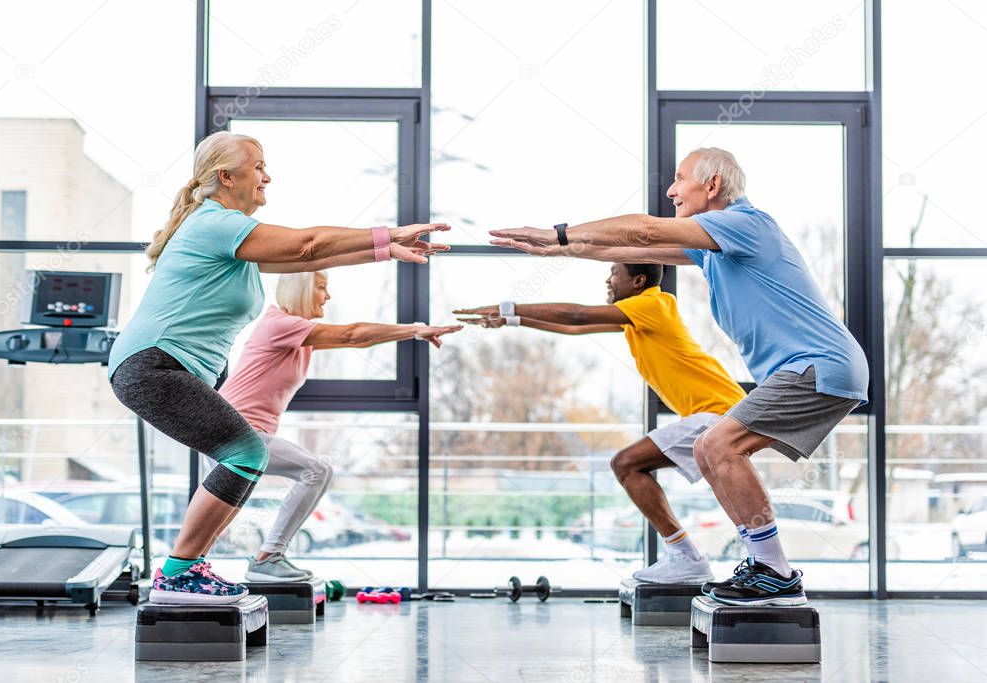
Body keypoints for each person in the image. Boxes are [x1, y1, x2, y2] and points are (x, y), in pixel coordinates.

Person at [489, 147, 868, 606]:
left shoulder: (747, 224)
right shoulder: (714, 249)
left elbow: (645, 229)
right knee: (715, 452)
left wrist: (559, 231)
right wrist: (558, 246)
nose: (671, 190)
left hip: (818, 362)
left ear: (712, 186)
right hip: (807, 368)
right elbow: (629, 246)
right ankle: (765, 567)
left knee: (716, 444)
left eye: (679, 179)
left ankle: (775, 572)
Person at [108, 130, 449, 604]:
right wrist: (387, 234)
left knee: (245, 456)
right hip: (153, 365)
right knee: (247, 453)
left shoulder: (232, 241)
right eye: (258, 166)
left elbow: (315, 254)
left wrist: (385, 249)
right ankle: (179, 573)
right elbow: (306, 245)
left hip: (163, 368)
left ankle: (188, 568)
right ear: (226, 177)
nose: (267, 176)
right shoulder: (215, 224)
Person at [454, 263, 745, 584]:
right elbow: (575, 328)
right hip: (719, 414)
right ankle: (697, 557)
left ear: (638, 281)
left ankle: (687, 558)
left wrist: (508, 305)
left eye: (614, 273)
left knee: (627, 464)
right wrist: (512, 320)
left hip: (720, 412)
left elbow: (577, 315)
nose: (608, 279)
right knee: (632, 466)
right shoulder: (638, 316)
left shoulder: (654, 304)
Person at [212, 270, 461, 581]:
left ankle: (223, 563)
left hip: (236, 431)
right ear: (301, 288)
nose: (327, 296)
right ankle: (266, 557)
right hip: (231, 428)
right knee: (315, 470)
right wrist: (415, 330)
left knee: (229, 505)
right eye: (321, 287)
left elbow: (357, 340)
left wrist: (407, 333)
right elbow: (352, 334)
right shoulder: (279, 324)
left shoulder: (297, 333)